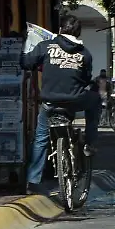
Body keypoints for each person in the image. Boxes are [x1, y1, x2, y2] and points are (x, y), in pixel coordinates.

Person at [22, 15, 102, 194]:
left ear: (60, 30)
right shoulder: (84, 53)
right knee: (96, 100)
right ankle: (90, 142)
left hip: (50, 102)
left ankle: (32, 180)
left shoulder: (45, 46)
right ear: (78, 32)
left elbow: (26, 63)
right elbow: (86, 78)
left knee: (40, 139)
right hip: (75, 101)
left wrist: (29, 45)